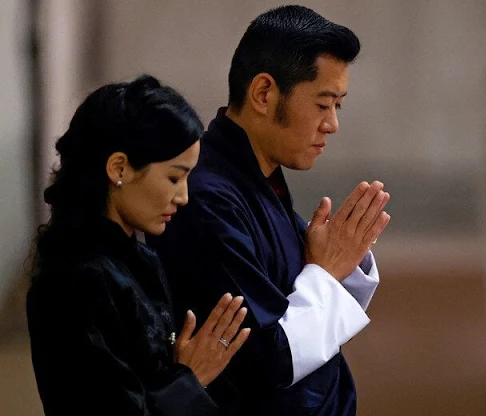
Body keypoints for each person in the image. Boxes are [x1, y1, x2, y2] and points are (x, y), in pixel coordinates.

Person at [147, 5, 391, 415]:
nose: (332, 124)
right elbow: (272, 358)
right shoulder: (208, 199)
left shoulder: (258, 177)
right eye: (322, 104)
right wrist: (327, 272)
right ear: (263, 94)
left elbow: (300, 298)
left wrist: (335, 263)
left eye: (338, 106)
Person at [27, 74, 251, 415]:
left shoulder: (140, 259)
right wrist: (191, 377)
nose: (184, 196)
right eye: (175, 178)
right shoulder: (74, 281)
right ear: (120, 168)